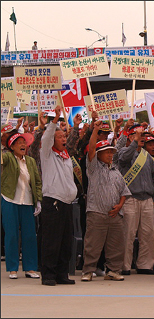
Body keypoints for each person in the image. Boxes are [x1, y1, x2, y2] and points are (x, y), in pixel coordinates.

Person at [80, 121, 131, 282]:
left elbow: (124, 191)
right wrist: (95, 130)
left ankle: (113, 270)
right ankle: (88, 270)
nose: (110, 155)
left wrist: (120, 205)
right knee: (92, 245)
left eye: (111, 152)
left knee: (116, 245)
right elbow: (92, 147)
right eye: (106, 152)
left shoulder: (116, 171)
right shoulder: (93, 168)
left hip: (115, 214)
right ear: (99, 154)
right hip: (97, 212)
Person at [39, 105, 78, 286]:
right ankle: (48, 274)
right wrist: (54, 120)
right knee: (51, 240)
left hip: (67, 203)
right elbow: (46, 138)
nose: (64, 138)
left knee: (65, 241)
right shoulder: (47, 154)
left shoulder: (66, 156)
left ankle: (62, 274)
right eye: (60, 136)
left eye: (64, 136)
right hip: (53, 201)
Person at [118, 126, 154, 276]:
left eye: (143, 136)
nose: (142, 138)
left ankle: (145, 265)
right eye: (138, 135)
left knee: (148, 234)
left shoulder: (146, 156)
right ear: (130, 137)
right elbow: (123, 159)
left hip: (147, 198)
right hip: (130, 198)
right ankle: (125, 265)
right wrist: (135, 142)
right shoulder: (124, 151)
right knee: (128, 233)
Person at [1, 132, 41, 279]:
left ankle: (30, 268)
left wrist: (38, 200)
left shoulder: (30, 161)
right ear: (12, 146)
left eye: (24, 142)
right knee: (11, 235)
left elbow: (36, 181)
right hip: (10, 199)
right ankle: (12, 268)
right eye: (19, 143)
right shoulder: (7, 158)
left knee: (30, 235)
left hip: (27, 201)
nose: (23, 145)